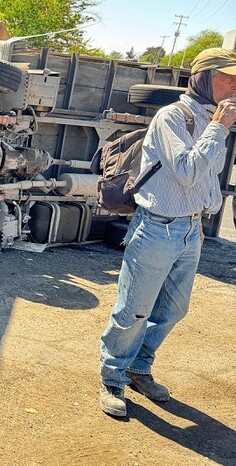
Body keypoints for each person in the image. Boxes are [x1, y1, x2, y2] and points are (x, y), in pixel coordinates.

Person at [98, 48, 236, 417]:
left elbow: (209, 179)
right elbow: (187, 170)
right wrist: (219, 128)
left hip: (189, 229)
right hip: (157, 227)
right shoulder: (172, 116)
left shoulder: (213, 120)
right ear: (204, 78)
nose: (235, 85)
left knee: (174, 310)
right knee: (134, 310)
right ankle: (112, 375)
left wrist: (201, 218)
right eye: (228, 77)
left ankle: (138, 367)